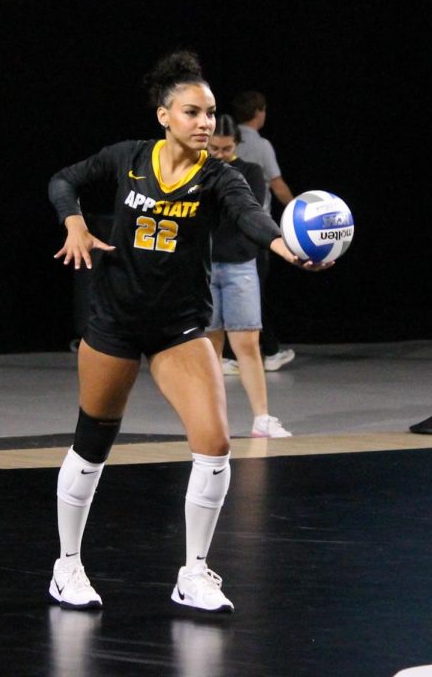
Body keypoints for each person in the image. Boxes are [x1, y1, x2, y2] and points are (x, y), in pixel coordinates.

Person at [47, 52, 328, 614]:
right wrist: (74, 220)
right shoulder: (127, 158)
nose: (206, 123)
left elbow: (250, 216)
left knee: (215, 442)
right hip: (116, 321)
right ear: (164, 116)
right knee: (92, 444)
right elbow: (63, 181)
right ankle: (67, 567)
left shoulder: (220, 176)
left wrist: (283, 245)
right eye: (193, 112)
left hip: (178, 327)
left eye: (212, 113)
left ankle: (194, 573)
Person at [205, 114, 292, 438]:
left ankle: (262, 419)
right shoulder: (195, 169)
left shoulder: (250, 172)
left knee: (248, 345)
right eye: (214, 148)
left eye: (226, 149)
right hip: (204, 266)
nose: (219, 154)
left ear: (236, 146)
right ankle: (213, 421)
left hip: (240, 265)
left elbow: (243, 212)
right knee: (209, 349)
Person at [232, 90, 296, 372]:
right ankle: (266, 352)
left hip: (224, 228)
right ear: (259, 112)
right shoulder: (261, 145)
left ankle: (232, 354)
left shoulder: (220, 140)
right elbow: (277, 185)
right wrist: (298, 211)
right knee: (253, 290)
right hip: (255, 229)